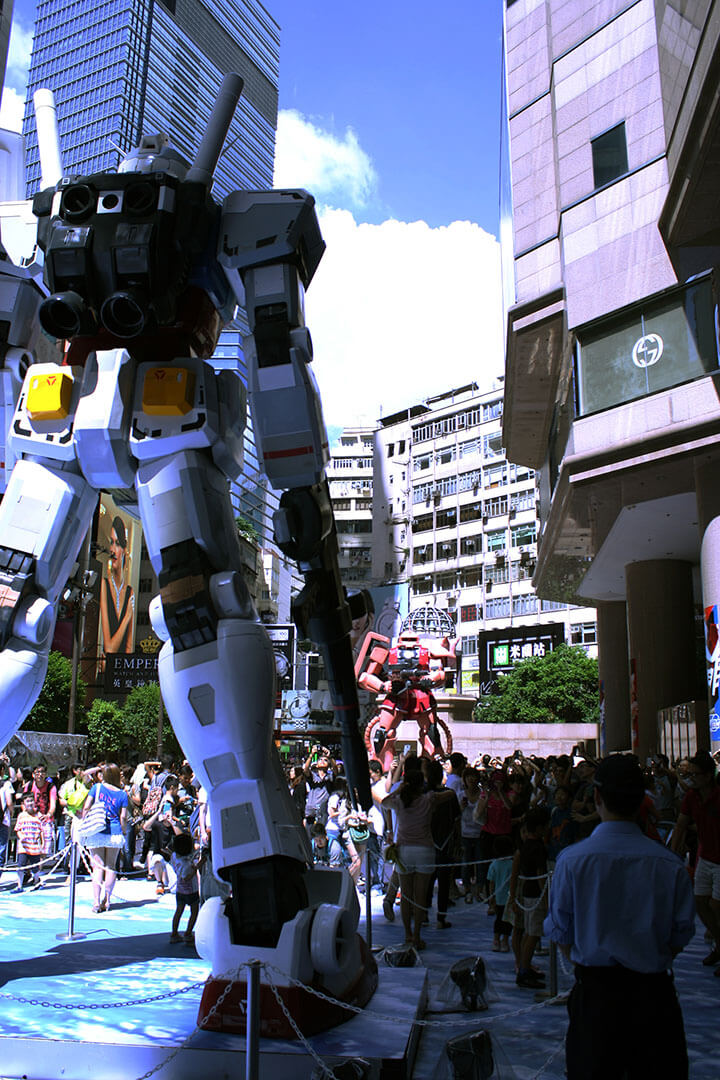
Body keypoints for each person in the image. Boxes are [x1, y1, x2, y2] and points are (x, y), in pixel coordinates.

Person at [545, 754, 695, 1080]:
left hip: (596, 995)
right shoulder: (669, 864)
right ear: (642, 799)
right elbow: (681, 933)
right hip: (654, 998)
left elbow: (561, 931)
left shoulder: (572, 861)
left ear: (597, 797)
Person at [382, 767, 456, 950]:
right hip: (425, 850)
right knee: (421, 896)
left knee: (406, 896)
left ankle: (407, 934)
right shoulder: (428, 799)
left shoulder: (399, 801)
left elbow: (384, 802)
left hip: (404, 850)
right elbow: (450, 794)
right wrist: (432, 788)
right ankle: (417, 936)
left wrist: (399, 789)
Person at [671, 749, 720, 972]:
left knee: (716, 905)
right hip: (706, 857)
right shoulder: (691, 797)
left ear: (708, 775)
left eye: (695, 775)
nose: (691, 779)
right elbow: (680, 825)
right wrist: (672, 854)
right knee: (700, 902)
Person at [82, 762, 129, 912]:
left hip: (97, 829)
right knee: (111, 866)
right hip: (114, 832)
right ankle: (107, 900)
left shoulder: (97, 788)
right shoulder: (122, 794)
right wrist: (123, 830)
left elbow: (86, 806)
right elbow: (123, 817)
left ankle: (96, 901)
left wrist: (85, 820)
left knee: (97, 866)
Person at [100, 515, 135, 654]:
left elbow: (129, 646)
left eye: (117, 544)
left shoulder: (129, 592)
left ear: (124, 550)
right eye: (111, 542)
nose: (113, 549)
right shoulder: (104, 585)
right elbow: (108, 649)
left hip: (120, 671)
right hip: (105, 671)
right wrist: (127, 617)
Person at [168, 830, 200, 944]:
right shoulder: (186, 864)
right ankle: (188, 933)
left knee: (179, 911)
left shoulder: (175, 856)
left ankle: (174, 933)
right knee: (195, 911)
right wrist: (196, 867)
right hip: (191, 890)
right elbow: (186, 877)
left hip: (180, 890)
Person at [12, 793, 44, 892]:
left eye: (31, 800)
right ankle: (19, 886)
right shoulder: (21, 816)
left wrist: (42, 844)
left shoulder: (38, 816)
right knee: (21, 866)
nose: (30, 803)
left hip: (34, 847)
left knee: (35, 867)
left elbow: (41, 831)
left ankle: (36, 882)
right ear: (23, 803)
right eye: (27, 801)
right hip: (23, 847)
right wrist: (21, 836)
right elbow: (17, 829)